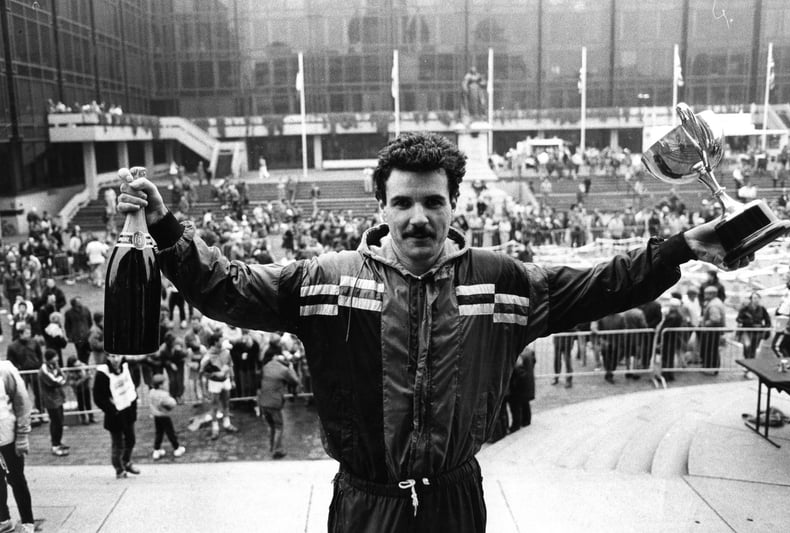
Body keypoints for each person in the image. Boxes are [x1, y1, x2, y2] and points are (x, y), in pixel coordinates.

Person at [117, 132, 744, 532]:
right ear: (381, 207)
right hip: (365, 504)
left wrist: (681, 248)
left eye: (433, 202)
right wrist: (168, 230)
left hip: (455, 501)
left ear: (454, 204)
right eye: (404, 203)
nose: (419, 217)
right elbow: (226, 286)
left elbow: (605, 283)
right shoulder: (321, 281)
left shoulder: (504, 283)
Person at [93, 352, 144, 479]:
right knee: (118, 444)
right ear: (107, 357)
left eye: (117, 355)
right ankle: (119, 469)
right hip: (115, 414)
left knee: (131, 439)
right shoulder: (102, 374)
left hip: (127, 411)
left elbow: (131, 386)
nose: (115, 359)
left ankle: (126, 461)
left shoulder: (125, 367)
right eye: (111, 356)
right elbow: (98, 398)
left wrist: (133, 406)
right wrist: (112, 410)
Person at [0, 359, 35, 533]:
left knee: (16, 480)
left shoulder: (5, 370)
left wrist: (22, 436)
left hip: (8, 438)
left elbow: (22, 403)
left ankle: (28, 521)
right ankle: (3, 519)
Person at [257, 351, 299, 459]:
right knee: (279, 426)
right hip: (274, 403)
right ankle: (276, 451)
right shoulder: (284, 370)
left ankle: (272, 447)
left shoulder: (267, 365)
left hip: (263, 402)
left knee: (271, 426)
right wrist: (291, 368)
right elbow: (296, 381)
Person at [199, 332, 238, 439]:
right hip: (214, 383)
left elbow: (230, 366)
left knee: (226, 403)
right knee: (214, 406)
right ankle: (215, 428)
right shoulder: (207, 356)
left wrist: (233, 379)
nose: (223, 341)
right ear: (216, 342)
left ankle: (227, 424)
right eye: (221, 340)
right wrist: (205, 386)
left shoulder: (226, 352)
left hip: (226, 381)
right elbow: (202, 372)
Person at [37, 349, 69, 457]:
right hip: (50, 400)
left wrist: (60, 379)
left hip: (58, 397)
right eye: (55, 356)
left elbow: (63, 376)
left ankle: (58, 442)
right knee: (56, 422)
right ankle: (54, 445)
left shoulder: (55, 365)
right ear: (50, 358)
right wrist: (60, 380)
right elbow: (54, 382)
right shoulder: (44, 369)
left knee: (60, 421)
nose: (57, 358)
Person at [148, 374, 185, 460]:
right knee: (170, 432)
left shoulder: (151, 392)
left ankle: (156, 450)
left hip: (156, 416)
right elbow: (172, 404)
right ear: (161, 385)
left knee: (159, 433)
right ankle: (176, 448)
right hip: (164, 416)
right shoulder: (164, 394)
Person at [774, 265, 790, 359]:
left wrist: (789, 328)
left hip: (788, 323)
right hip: (784, 322)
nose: (787, 274)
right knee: (788, 348)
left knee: (778, 347)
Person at [735, 292, 771, 360]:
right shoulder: (745, 308)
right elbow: (738, 319)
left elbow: (768, 320)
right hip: (746, 331)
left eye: (758, 298)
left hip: (757, 333)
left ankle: (750, 363)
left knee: (753, 349)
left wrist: (763, 327)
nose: (756, 300)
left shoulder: (762, 309)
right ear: (751, 299)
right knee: (747, 347)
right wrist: (747, 322)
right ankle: (746, 361)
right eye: (754, 298)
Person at [699, 286, 726, 373]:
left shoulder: (714, 305)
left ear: (712, 294)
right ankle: (713, 367)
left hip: (712, 331)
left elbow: (715, 319)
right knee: (713, 349)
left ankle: (710, 368)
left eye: (706, 293)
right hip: (714, 331)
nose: (704, 295)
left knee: (711, 350)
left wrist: (704, 323)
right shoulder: (715, 302)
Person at [66, 355, 95, 425]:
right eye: (75, 362)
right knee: (81, 404)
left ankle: (91, 417)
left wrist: (88, 375)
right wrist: (84, 378)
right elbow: (74, 383)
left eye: (77, 360)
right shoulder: (70, 372)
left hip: (86, 387)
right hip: (78, 390)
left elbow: (90, 373)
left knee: (88, 403)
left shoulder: (83, 365)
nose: (78, 362)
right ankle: (83, 418)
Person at [64, 297, 92, 364]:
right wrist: (69, 335)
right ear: (74, 303)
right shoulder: (69, 313)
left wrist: (89, 330)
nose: (80, 302)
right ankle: (82, 365)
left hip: (86, 335)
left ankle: (86, 364)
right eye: (78, 301)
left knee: (88, 352)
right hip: (77, 336)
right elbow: (67, 325)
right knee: (80, 352)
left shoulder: (86, 309)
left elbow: (90, 321)